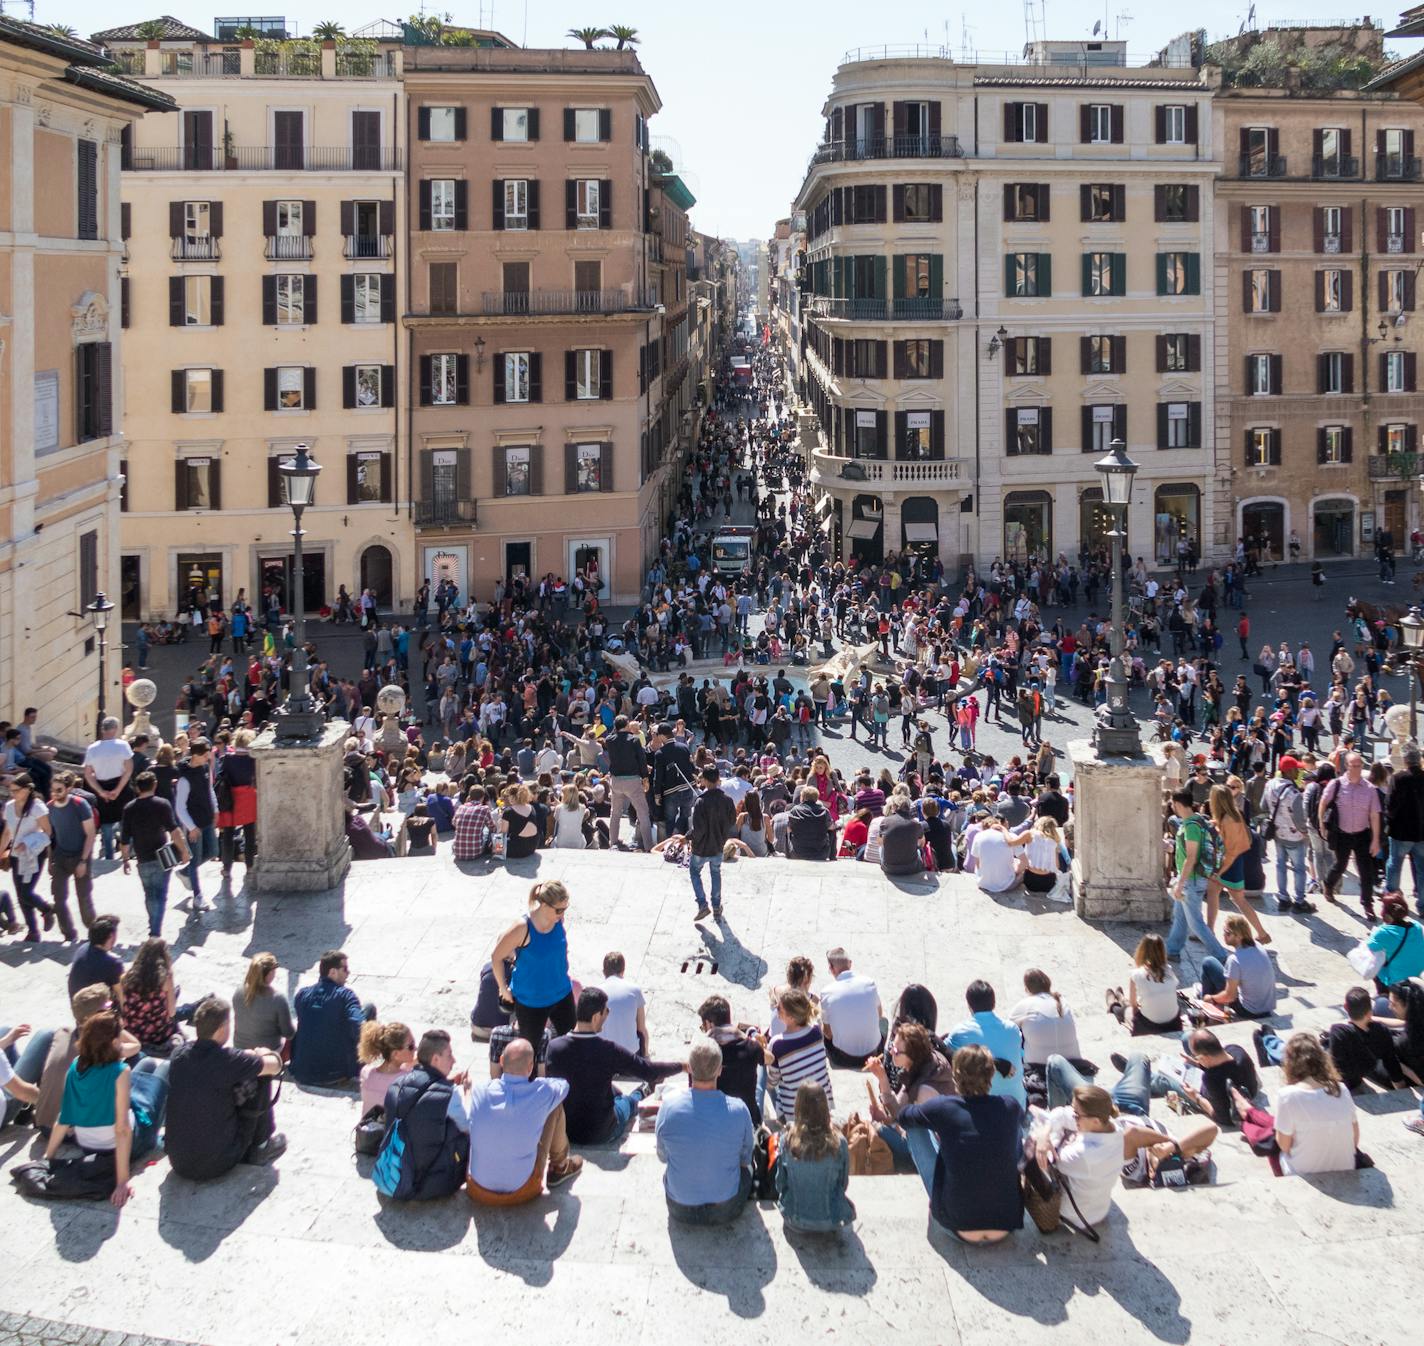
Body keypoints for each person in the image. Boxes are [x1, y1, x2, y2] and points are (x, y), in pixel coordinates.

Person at [1035, 1080, 1217, 1227]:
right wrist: (1174, 1147)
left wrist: (1165, 1148)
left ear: (1152, 1175)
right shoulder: (1186, 1155)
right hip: (1121, 1113)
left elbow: (1133, 1134)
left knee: (1057, 1066)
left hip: (1123, 1111)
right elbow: (1212, 1130)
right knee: (1140, 1061)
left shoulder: (1133, 1168)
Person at [41, 1010, 170, 1207]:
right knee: (165, 1068)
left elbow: (64, 1117)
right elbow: (122, 1129)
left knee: (147, 1062)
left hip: (88, 1145)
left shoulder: (76, 1066)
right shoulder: (120, 1071)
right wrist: (122, 1182)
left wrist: (47, 1158)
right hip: (126, 1144)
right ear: (112, 1042)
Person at [899, 1045, 1024, 1243]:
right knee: (1014, 1128)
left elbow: (903, 1117)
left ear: (955, 1076)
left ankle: (943, 1197)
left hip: (959, 1227)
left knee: (915, 1128)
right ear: (991, 1075)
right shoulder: (1010, 1106)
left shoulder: (943, 1107)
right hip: (1006, 1225)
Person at [545, 987, 684, 1144]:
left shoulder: (553, 1047)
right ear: (597, 1016)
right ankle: (641, 1092)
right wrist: (682, 1066)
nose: (607, 1015)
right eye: (607, 1011)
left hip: (567, 1131)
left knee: (605, 1088)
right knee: (627, 1102)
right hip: (602, 1132)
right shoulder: (608, 1050)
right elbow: (650, 1071)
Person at [166, 995, 284, 1179]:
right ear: (222, 1028)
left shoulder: (179, 1055)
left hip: (178, 1161)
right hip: (218, 1162)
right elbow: (275, 1066)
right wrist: (263, 1053)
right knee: (260, 1077)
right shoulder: (229, 1061)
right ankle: (261, 1146)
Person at [465, 1037, 582, 1203]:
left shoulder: (480, 1091)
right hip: (522, 1190)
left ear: (501, 1061)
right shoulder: (542, 1092)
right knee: (554, 1106)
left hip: (478, 1188)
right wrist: (540, 1082)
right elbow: (564, 1086)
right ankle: (560, 1166)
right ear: (530, 1067)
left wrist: (467, 1091)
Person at [656, 1038, 755, 1224]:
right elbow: (745, 1158)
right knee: (747, 1172)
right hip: (726, 1208)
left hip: (680, 1207)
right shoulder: (739, 1110)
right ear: (719, 1070)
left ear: (690, 1068)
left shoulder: (668, 1107)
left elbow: (662, 1157)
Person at [376, 1028, 469, 1202]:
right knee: (465, 1135)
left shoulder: (396, 1085)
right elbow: (467, 1128)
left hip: (391, 1175)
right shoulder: (450, 1095)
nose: (454, 1060)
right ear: (435, 1059)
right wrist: (468, 1095)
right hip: (427, 1185)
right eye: (449, 1055)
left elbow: (423, 1095)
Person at [864, 1020, 955, 1190]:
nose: (891, 1052)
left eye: (897, 1051)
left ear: (912, 1055)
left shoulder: (924, 1092)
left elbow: (909, 1127)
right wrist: (883, 1080)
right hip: (928, 1135)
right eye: (892, 1046)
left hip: (940, 1155)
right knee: (880, 1126)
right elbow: (899, 1110)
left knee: (878, 1132)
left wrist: (889, 1121)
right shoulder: (924, 1064)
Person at [489, 881, 576, 1048]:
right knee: (529, 1052)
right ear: (544, 904)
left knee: (573, 1045)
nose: (562, 913)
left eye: (565, 908)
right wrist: (503, 989)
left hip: (562, 993)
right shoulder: (522, 927)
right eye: (559, 909)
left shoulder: (558, 920)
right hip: (531, 1002)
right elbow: (496, 957)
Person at [1258, 1032, 1359, 1176]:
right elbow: (1354, 1140)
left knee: (1270, 1146)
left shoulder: (1287, 1096)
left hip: (1302, 1172)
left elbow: (1284, 1146)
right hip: (1345, 1166)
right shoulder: (1341, 1089)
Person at [775, 1080, 856, 1232]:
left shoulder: (786, 1140)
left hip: (795, 1220)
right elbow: (843, 1184)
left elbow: (780, 1184)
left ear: (798, 1107)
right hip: (831, 1220)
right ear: (825, 1108)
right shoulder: (840, 1143)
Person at [119, 771, 189, 938]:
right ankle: (155, 931)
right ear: (155, 785)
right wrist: (184, 851)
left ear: (137, 788)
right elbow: (174, 831)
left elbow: (124, 839)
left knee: (149, 895)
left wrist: (125, 859)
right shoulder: (162, 804)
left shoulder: (129, 808)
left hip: (142, 858)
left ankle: (153, 927)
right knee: (160, 895)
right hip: (162, 856)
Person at [290, 950, 375, 1085]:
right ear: (332, 972)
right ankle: (365, 1067)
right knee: (369, 1009)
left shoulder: (301, 995)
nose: (348, 973)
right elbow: (360, 1028)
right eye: (345, 969)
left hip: (302, 1072)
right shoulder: (345, 996)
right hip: (335, 1072)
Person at [1166, 788, 1230, 963]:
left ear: (1178, 804)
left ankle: (1221, 956)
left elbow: (1191, 857)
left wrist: (1180, 883)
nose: (1171, 806)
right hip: (1192, 879)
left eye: (1172, 803)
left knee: (1195, 923)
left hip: (1192, 880)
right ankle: (1172, 950)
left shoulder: (1191, 826)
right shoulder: (1198, 820)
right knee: (1179, 916)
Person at [1320, 751, 1382, 920]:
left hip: (1362, 833)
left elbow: (1375, 815)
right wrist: (1321, 824)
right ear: (1346, 766)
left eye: (1359, 765)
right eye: (1353, 765)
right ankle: (1328, 884)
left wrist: (1376, 839)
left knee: (1366, 871)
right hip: (1342, 833)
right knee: (1341, 864)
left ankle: (1367, 903)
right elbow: (1323, 802)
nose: (1356, 769)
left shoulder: (1370, 789)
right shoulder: (1336, 784)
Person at [946, 980, 1026, 1107]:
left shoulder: (960, 1033)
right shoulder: (1013, 1029)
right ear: (994, 1003)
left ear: (969, 1005)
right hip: (1018, 1105)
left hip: (981, 1110)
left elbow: (942, 1055)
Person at [764, 988, 834, 1120]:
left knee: (763, 1074)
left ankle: (776, 1119)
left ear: (791, 1017)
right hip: (824, 1105)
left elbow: (772, 1082)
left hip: (796, 1114)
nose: (775, 1008)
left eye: (779, 1008)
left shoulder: (777, 1044)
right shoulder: (816, 1030)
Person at [0, 772, 54, 940]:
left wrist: (29, 842)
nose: (12, 793)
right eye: (11, 790)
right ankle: (33, 931)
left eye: (16, 790)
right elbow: (7, 832)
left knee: (26, 892)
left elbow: (48, 832)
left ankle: (46, 909)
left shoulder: (37, 807)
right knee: (20, 893)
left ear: (27, 790)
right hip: (16, 854)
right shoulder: (9, 807)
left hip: (34, 854)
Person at [45, 772, 96, 942]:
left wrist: (83, 861)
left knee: (83, 896)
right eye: (53, 790)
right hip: (60, 855)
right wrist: (50, 859)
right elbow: (50, 836)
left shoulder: (79, 805)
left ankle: (94, 933)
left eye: (59, 790)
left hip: (80, 854)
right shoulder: (50, 807)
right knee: (58, 897)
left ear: (69, 789)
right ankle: (68, 933)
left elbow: (90, 834)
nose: (55, 794)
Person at [697, 994, 763, 1125]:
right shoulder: (752, 1047)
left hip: (717, 1121)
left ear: (709, 1025)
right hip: (749, 1119)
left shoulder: (702, 1055)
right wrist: (744, 1035)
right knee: (762, 1067)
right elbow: (769, 1058)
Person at [1325, 987, 1407, 1091]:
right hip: (1364, 1071)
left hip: (1348, 1083)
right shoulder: (1382, 1031)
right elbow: (1392, 1064)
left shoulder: (1338, 1032)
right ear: (1370, 1012)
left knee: (1325, 1046)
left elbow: (1337, 1067)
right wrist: (1402, 1090)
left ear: (1346, 1007)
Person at [1262, 756, 1314, 914]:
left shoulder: (1269, 784)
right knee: (1298, 868)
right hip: (1294, 836)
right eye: (1296, 770)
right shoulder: (1294, 793)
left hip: (1278, 833)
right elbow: (1299, 819)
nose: (1298, 772)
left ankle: (1283, 898)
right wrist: (1305, 832)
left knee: (1280, 865)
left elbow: (1262, 805)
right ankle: (1299, 900)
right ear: (1289, 771)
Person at [818, 947, 885, 1068]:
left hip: (843, 1057)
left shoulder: (826, 992)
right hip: (873, 1053)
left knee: (821, 1024)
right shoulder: (869, 983)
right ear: (850, 964)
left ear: (831, 969)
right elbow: (879, 1015)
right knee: (884, 1023)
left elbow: (828, 1034)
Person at [1200, 914, 1278, 1018]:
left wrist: (1212, 998)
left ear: (1239, 936)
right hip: (1267, 1008)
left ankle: (1205, 1003)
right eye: (1224, 931)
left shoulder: (1234, 960)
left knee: (1208, 962)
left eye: (1228, 933)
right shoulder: (1257, 946)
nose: (1223, 935)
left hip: (1248, 1011)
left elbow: (1230, 996)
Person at [174, 739, 220, 911]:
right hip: (194, 824)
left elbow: (210, 790)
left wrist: (215, 808)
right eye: (205, 753)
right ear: (196, 755)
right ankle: (197, 895)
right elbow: (180, 807)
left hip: (207, 819)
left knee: (213, 851)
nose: (208, 756)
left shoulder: (205, 768)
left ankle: (185, 873)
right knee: (195, 859)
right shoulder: (184, 779)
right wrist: (191, 827)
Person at [689, 764, 736, 922]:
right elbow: (731, 821)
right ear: (717, 779)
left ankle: (703, 904)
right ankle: (716, 906)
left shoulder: (700, 801)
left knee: (695, 872)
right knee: (715, 873)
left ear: (706, 781)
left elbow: (698, 829)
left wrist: (688, 837)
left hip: (701, 847)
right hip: (718, 845)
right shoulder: (728, 800)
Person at [81, 716, 133, 860]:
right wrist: (118, 789)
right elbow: (129, 769)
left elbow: (88, 774)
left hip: (101, 786)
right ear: (115, 729)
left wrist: (100, 791)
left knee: (106, 824)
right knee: (125, 821)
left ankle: (109, 854)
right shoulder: (123, 745)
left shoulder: (92, 748)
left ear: (103, 729)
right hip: (120, 785)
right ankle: (126, 854)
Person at [119, 938, 180, 1056]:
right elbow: (172, 1012)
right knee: (176, 995)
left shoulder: (125, 978)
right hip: (158, 1035)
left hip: (133, 1032)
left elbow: (124, 1008)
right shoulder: (166, 979)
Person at [1009, 969, 1081, 1066]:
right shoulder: (1062, 1001)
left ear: (1027, 989)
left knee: (1017, 1029)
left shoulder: (1026, 1004)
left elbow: (1007, 1029)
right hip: (1074, 1064)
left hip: (1041, 1066)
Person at [214, 729, 258, 881]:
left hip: (230, 798)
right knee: (249, 833)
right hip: (248, 797)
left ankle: (226, 868)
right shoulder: (253, 760)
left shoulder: (227, 759)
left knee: (228, 833)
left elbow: (220, 777)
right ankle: (250, 866)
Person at [605, 715, 654, 851]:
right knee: (643, 813)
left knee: (615, 813)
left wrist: (616, 727)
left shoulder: (609, 740)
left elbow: (612, 734)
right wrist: (645, 777)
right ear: (627, 725)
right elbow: (641, 760)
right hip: (632, 779)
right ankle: (649, 846)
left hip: (615, 780)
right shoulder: (634, 740)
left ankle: (613, 842)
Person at [232, 951, 295, 1053]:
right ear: (270, 973)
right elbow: (288, 1033)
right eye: (276, 966)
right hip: (268, 1052)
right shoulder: (278, 999)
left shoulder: (239, 991)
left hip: (240, 1049)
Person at [1386, 746, 1424, 912]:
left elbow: (1390, 804)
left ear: (1405, 760)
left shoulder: (1398, 778)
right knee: (1422, 871)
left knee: (1394, 866)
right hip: (1422, 833)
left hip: (1401, 832)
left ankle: (1393, 905)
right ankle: (1422, 906)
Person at [1363, 894, 1424, 993]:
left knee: (1374, 965)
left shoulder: (1384, 932)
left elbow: (1370, 947)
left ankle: (1385, 995)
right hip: (1418, 977)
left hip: (1399, 981)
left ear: (1386, 913)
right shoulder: (1417, 927)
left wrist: (1375, 934)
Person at [358, 1020, 416, 1114]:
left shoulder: (366, 1072)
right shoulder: (408, 1080)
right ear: (395, 1054)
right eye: (411, 1046)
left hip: (368, 1127)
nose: (415, 1049)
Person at [67, 914, 125, 1007]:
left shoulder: (82, 948)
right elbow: (122, 997)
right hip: (97, 1015)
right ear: (111, 936)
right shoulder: (113, 963)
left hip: (78, 1009)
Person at [595, 951, 647, 1054]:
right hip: (630, 1054)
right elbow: (641, 1029)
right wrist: (646, 1056)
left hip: (604, 1054)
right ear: (623, 971)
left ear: (604, 972)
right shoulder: (635, 990)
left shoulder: (595, 993)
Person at [878, 799, 927, 877]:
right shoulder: (916, 824)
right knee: (918, 851)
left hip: (889, 868)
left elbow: (880, 842)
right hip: (911, 868)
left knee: (881, 848)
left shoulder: (885, 821)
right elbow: (922, 844)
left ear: (894, 807)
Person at [785, 785, 835, 861]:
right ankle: (832, 856)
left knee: (787, 831)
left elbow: (789, 829)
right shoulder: (824, 811)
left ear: (803, 797)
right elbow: (831, 827)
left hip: (798, 853)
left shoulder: (795, 810)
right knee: (832, 830)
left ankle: (788, 855)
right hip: (820, 853)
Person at [969, 820, 1020, 894]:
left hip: (982, 883)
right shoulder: (1012, 836)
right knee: (1021, 870)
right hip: (1006, 885)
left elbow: (977, 863)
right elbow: (1024, 862)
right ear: (1000, 825)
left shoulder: (978, 835)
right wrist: (1015, 872)